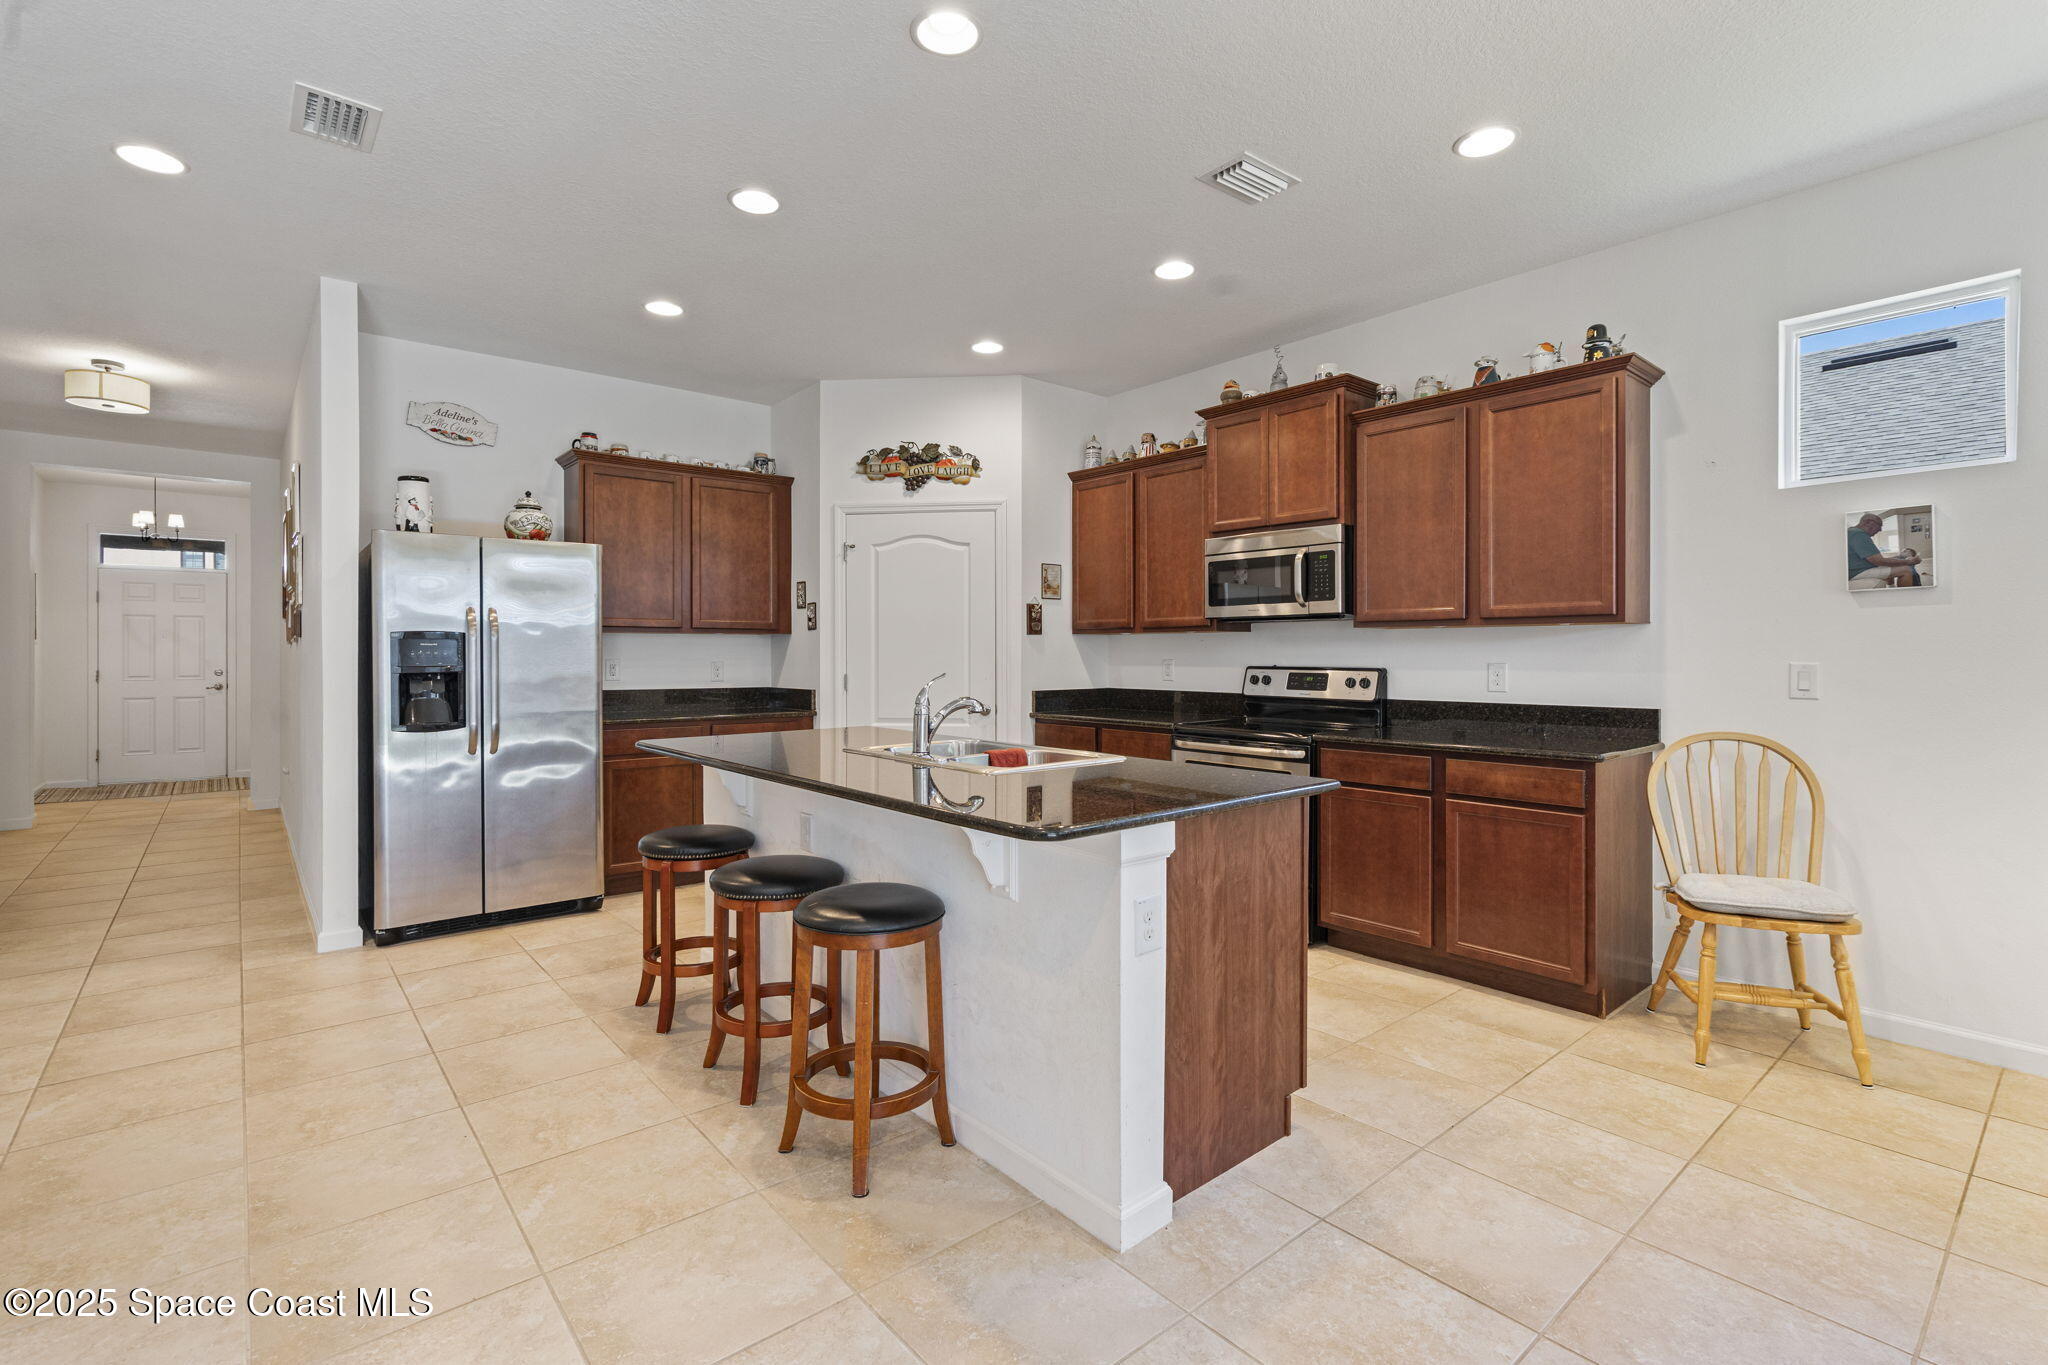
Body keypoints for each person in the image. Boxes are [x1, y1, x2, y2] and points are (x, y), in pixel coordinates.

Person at [1847, 512, 1921, 588]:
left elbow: (1877, 560)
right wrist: (1910, 561)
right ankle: (1904, 597)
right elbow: (1879, 561)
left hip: (1857, 570)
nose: (1880, 529)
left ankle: (1891, 588)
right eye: (1879, 525)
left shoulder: (1852, 532)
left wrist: (1897, 558)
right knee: (1906, 570)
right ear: (1868, 522)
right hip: (1857, 572)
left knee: (1890, 566)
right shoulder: (1859, 534)